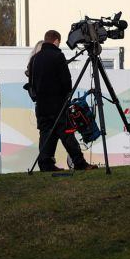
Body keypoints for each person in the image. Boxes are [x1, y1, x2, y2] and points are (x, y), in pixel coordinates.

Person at [28, 29, 96, 172]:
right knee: (67, 134)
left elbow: (32, 83)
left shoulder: (35, 59)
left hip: (41, 106)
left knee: (46, 134)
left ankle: (45, 164)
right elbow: (66, 81)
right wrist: (66, 95)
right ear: (56, 41)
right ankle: (79, 163)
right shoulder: (58, 56)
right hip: (58, 105)